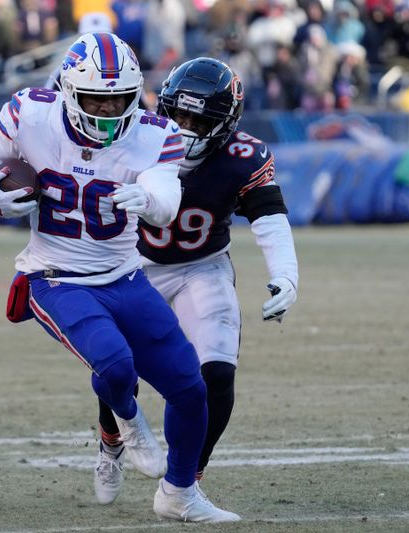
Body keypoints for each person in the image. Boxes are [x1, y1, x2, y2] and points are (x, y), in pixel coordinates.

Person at [0, 32, 240, 523]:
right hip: (53, 276)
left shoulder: (153, 133)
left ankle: (179, 495)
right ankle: (124, 422)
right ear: (67, 91)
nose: (107, 109)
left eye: (118, 98)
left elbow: (166, 200)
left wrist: (151, 202)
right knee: (117, 367)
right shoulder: (32, 115)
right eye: (96, 98)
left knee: (190, 388)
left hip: (124, 276)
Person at [91, 57, 299, 505]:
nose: (181, 127)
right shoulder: (132, 136)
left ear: (223, 125)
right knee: (117, 365)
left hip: (201, 267)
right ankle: (112, 440)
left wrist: (286, 274)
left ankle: (187, 479)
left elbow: (269, 218)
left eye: (196, 119)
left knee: (218, 374)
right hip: (133, 265)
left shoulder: (243, 158)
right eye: (176, 114)